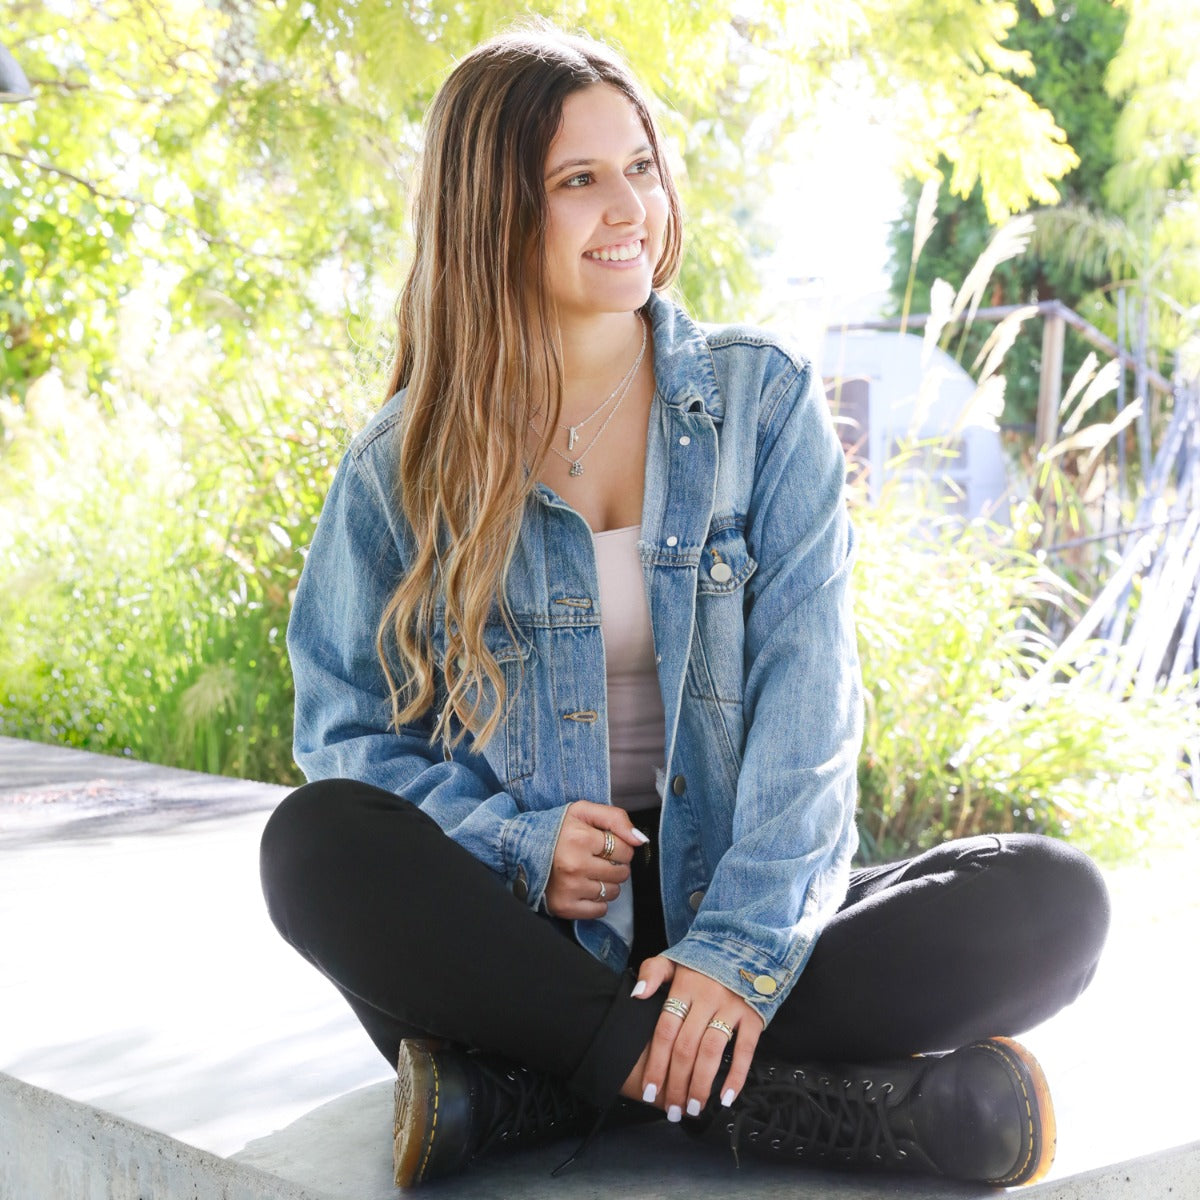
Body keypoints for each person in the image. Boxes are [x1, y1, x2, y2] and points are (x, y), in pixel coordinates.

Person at [259, 22, 1110, 1191]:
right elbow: (348, 741)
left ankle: (537, 1093)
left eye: (641, 167)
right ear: (490, 211)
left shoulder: (762, 405)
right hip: (525, 943)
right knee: (313, 849)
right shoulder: (401, 464)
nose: (630, 209)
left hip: (735, 895)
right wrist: (518, 846)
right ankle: (768, 1097)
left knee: (1053, 904)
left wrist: (739, 952)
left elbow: (811, 715)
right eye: (579, 180)